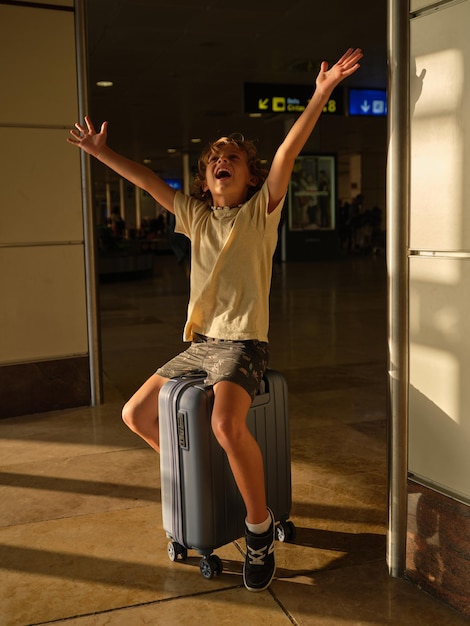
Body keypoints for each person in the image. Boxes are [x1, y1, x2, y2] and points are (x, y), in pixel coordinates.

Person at [67, 47, 362, 592]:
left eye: (232, 157)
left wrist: (321, 93)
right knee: (136, 415)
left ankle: (258, 530)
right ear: (206, 179)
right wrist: (100, 152)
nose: (220, 160)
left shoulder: (260, 212)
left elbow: (288, 153)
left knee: (226, 423)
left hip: (244, 344)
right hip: (200, 344)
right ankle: (202, 477)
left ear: (250, 178)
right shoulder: (195, 215)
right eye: (212, 159)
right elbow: (145, 182)